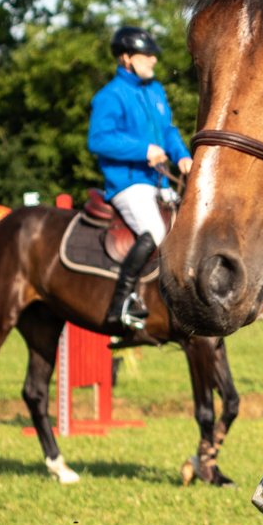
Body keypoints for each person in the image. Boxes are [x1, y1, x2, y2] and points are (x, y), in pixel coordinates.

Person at [87, 25, 192, 342]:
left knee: (187, 227)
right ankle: (120, 304)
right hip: (128, 184)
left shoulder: (155, 90)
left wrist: (182, 156)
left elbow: (169, 131)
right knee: (156, 232)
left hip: (158, 181)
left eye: (152, 55)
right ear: (126, 58)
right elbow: (98, 139)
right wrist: (142, 149)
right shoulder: (109, 96)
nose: (153, 60)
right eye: (146, 55)